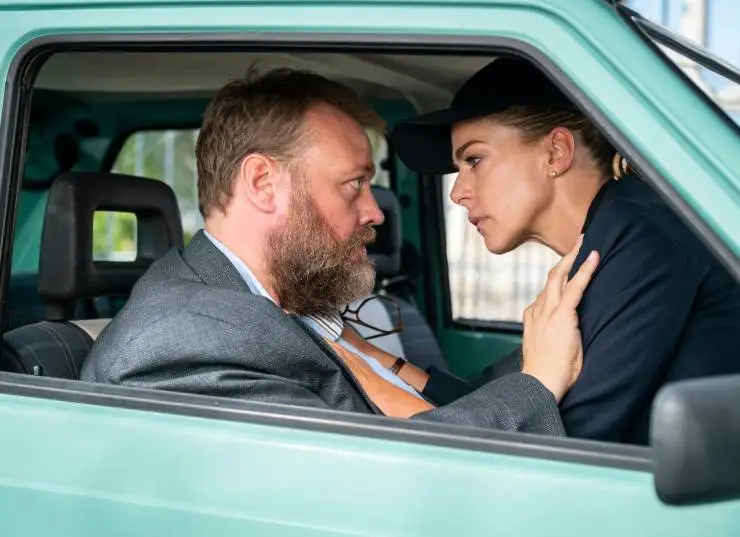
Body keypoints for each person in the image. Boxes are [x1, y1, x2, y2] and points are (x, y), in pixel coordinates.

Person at [80, 68, 599, 436]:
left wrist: (564, 343)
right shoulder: (178, 345)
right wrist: (537, 383)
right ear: (263, 183)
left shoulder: (283, 305)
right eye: (354, 184)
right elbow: (375, 484)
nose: (376, 212)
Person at [390, 55, 740, 444]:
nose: (457, 192)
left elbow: (562, 439)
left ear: (556, 152)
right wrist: (375, 360)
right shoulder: (608, 237)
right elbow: (500, 396)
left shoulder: (642, 237)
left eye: (474, 160)